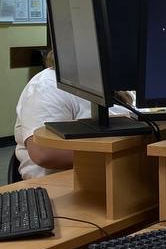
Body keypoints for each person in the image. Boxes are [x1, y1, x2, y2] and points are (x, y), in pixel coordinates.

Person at [12, 51, 130, 179]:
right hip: (59, 181)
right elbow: (44, 153)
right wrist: (124, 155)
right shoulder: (48, 84)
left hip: (114, 175)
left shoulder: (108, 81)